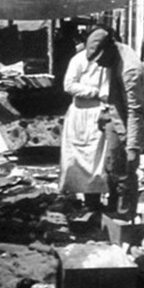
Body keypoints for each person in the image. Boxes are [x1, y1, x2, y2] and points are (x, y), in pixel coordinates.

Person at [85, 26, 144, 220]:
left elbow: (136, 111)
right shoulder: (114, 55)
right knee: (112, 166)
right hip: (117, 117)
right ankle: (113, 209)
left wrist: (133, 146)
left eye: (100, 58)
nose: (99, 64)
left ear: (110, 48)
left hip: (132, 121)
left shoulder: (130, 70)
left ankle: (125, 216)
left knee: (125, 170)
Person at [59, 43, 109, 210]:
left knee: (99, 159)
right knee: (78, 159)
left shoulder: (111, 61)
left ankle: (96, 199)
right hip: (81, 114)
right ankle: (82, 199)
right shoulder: (78, 60)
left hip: (101, 113)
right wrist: (95, 92)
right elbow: (69, 85)